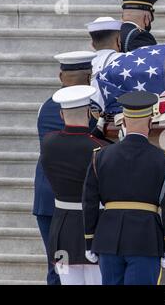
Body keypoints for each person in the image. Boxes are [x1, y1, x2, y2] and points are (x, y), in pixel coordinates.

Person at [82, 91, 165, 285]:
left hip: (108, 238)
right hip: (146, 240)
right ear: (151, 123)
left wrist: (89, 240)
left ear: (123, 122)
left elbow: (89, 201)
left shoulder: (100, 156)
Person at [33, 50, 99, 285]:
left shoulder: (45, 107)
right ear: (90, 77)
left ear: (61, 76)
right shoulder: (91, 111)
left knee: (59, 268)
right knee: (88, 269)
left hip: (47, 198)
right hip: (79, 202)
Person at [40, 85, 109, 285]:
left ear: (61, 114)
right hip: (94, 231)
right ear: (89, 113)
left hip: (62, 234)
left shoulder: (48, 143)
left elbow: (72, 141)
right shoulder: (102, 149)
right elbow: (88, 143)